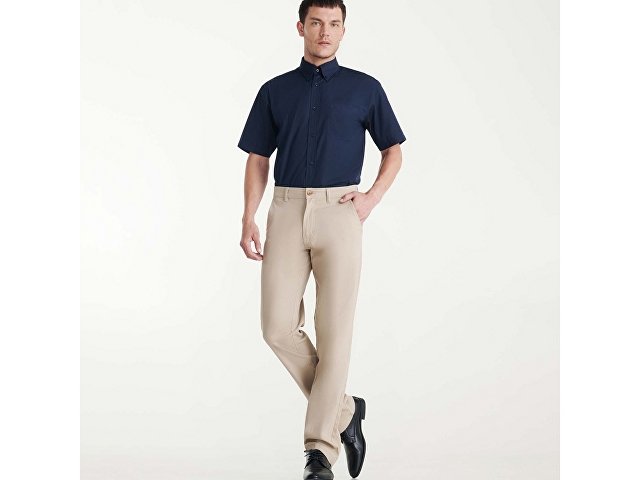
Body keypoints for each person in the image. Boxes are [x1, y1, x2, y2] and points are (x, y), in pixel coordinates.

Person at [238, 1, 405, 478]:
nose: (325, 32)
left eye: (334, 24)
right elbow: (257, 157)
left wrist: (370, 199)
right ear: (301, 27)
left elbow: (393, 149)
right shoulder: (275, 90)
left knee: (335, 333)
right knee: (276, 327)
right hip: (287, 209)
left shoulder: (365, 88)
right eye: (316, 23)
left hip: (341, 212)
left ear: (343, 30)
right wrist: (249, 216)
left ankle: (319, 452)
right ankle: (346, 412)